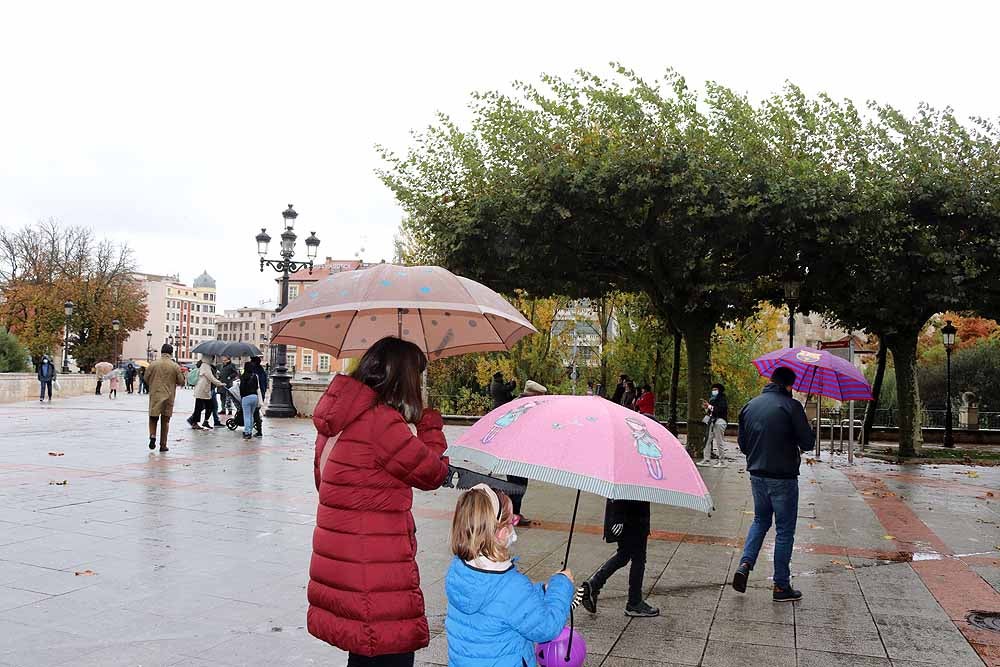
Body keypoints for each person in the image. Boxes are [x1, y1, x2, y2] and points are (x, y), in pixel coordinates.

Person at [308, 337, 450, 666]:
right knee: (390, 650)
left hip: (343, 562)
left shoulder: (337, 422)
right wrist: (429, 424)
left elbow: (324, 483)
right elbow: (432, 473)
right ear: (403, 378)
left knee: (363, 651)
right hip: (376, 568)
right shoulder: (382, 422)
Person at [445, 484, 576, 666]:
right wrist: (561, 587)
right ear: (501, 533)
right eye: (512, 521)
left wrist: (543, 591)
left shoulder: (459, 570)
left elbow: (504, 608)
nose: (514, 525)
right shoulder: (511, 585)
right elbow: (546, 628)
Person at [732, 366, 815, 602]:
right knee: (784, 531)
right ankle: (780, 586)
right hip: (784, 478)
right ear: (789, 386)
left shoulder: (750, 405)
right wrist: (809, 427)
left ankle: (745, 563)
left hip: (757, 475)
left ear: (771, 380)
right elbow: (807, 443)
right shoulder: (792, 406)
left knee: (760, 521)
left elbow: (743, 444)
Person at [580, 498, 659, 618]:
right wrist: (618, 517)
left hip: (633, 515)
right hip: (633, 518)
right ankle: (634, 602)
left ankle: (594, 585)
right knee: (638, 559)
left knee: (624, 555)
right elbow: (623, 491)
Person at [508, 380, 547, 527]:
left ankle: (513, 513)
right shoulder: (522, 407)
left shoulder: (521, 404)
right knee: (517, 485)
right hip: (515, 453)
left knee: (518, 484)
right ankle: (512, 515)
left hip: (518, 452)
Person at [145, 344, 186, 452]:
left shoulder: (153, 364)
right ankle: (163, 445)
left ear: (161, 352)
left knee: (153, 418)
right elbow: (181, 382)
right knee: (165, 420)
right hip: (169, 395)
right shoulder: (175, 366)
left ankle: (152, 435)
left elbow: (146, 378)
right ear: (171, 353)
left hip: (155, 395)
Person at [698, 382, 730, 468]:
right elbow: (710, 412)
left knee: (719, 441)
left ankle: (722, 461)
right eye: (713, 390)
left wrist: (709, 406)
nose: (714, 391)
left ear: (719, 390)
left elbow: (719, 410)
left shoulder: (722, 399)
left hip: (719, 422)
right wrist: (706, 407)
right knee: (707, 440)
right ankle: (706, 459)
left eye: (715, 389)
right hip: (712, 422)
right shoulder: (712, 399)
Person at [187, 359, 224, 430]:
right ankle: (195, 422)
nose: (213, 360)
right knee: (204, 406)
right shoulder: (205, 366)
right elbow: (211, 377)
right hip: (203, 390)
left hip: (204, 389)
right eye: (213, 358)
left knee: (206, 406)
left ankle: (201, 421)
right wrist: (220, 384)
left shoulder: (206, 366)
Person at [237, 361, 261, 441]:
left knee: (246, 415)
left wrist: (241, 396)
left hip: (246, 397)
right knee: (251, 415)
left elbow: (242, 388)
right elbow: (257, 387)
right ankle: (250, 430)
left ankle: (247, 432)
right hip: (255, 397)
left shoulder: (243, 376)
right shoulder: (255, 376)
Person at [250, 356, 268, 436]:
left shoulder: (254, 372)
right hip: (261, 394)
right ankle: (258, 428)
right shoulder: (262, 371)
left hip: (255, 393)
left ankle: (259, 430)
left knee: (255, 412)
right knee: (256, 411)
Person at [205, 362, 224, 428]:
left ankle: (216, 421)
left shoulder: (212, 367)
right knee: (205, 406)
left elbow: (214, 377)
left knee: (214, 406)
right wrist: (219, 383)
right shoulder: (207, 367)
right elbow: (212, 378)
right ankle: (193, 419)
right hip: (209, 389)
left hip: (212, 389)